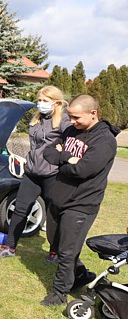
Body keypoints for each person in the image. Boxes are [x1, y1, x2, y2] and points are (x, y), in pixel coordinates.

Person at [39, 94, 120, 307]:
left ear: (93, 114)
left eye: (76, 118)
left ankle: (59, 294)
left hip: (81, 204)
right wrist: (66, 157)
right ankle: (81, 274)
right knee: (55, 242)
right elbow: (48, 153)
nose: (72, 122)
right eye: (70, 117)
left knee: (67, 251)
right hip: (58, 197)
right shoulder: (71, 131)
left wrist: (62, 158)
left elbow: (82, 170)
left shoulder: (104, 140)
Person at [0, 86, 70, 260]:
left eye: (45, 101)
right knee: (20, 209)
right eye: (39, 100)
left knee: (53, 213)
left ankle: (54, 252)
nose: (40, 104)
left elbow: (71, 144)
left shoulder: (64, 121)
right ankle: (9, 247)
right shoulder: (37, 119)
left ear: (56, 102)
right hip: (32, 173)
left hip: (52, 174)